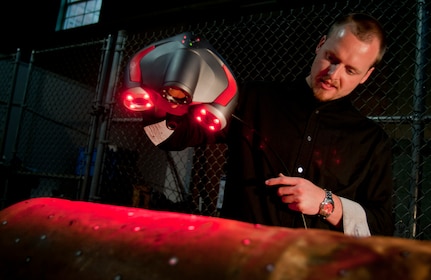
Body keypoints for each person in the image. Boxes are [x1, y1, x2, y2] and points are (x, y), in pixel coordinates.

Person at [157, 12, 394, 236]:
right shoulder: (254, 98)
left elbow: (381, 226)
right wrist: (160, 98)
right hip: (239, 258)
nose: (333, 74)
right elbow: (169, 137)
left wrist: (326, 203)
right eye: (331, 58)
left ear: (366, 76)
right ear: (320, 45)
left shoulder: (372, 141)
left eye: (350, 70)